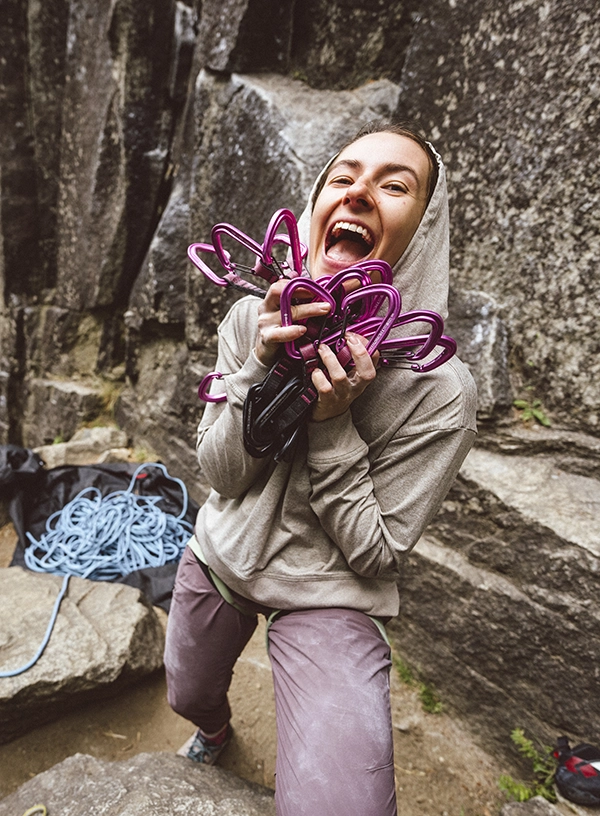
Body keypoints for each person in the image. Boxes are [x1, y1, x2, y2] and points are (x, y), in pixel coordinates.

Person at [164, 121, 477, 816]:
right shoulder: (253, 319)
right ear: (313, 207)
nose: (360, 192)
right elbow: (220, 477)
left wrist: (334, 427)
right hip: (225, 552)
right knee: (185, 692)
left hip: (331, 591)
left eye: (395, 186)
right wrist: (258, 369)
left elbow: (376, 554)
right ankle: (215, 731)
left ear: (423, 228)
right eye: (343, 177)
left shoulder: (441, 391)